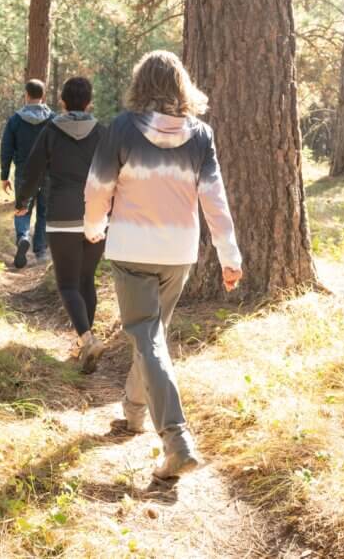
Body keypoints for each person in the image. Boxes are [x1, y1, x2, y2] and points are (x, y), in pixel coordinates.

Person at [84, 50, 243, 482]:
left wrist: (93, 225)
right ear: (181, 87)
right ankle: (134, 412)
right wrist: (230, 256)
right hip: (178, 253)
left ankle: (176, 441)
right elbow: (215, 198)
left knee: (148, 338)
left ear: (141, 84)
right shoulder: (201, 135)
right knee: (150, 335)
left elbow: (99, 185)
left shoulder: (121, 128)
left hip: (132, 249)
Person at [15, 77, 106, 373]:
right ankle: (86, 341)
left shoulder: (52, 130)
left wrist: (22, 202)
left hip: (62, 216)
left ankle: (86, 339)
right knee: (86, 280)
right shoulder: (102, 133)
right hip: (95, 216)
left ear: (63, 102)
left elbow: (33, 169)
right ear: (89, 102)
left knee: (67, 284)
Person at [1, 79, 54, 268]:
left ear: (27, 95)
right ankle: (40, 250)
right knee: (44, 211)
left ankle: (23, 237)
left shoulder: (16, 119)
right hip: (48, 172)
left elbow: (6, 148)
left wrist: (4, 175)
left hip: (24, 171)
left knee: (22, 208)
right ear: (43, 96)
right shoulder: (53, 119)